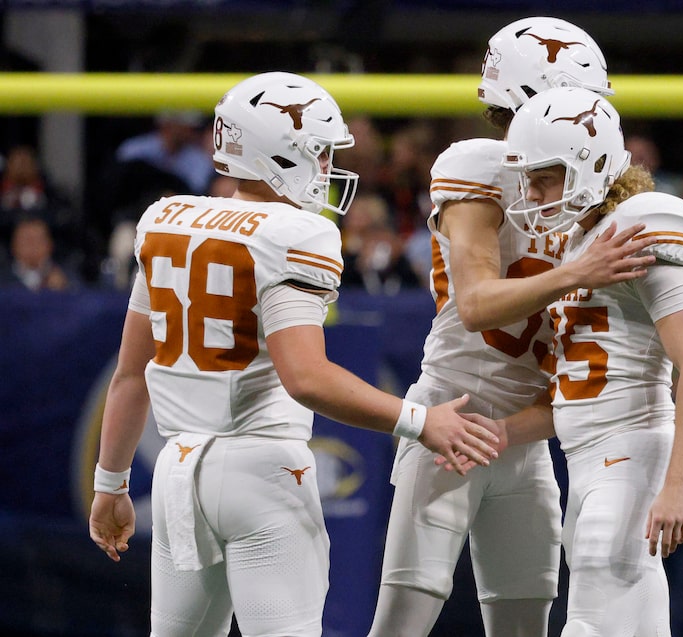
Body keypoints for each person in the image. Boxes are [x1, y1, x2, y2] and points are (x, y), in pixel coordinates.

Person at [87, 71, 502, 637]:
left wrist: (109, 485)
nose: (328, 168)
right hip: (263, 469)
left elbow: (130, 376)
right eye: (320, 152)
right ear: (277, 153)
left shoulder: (165, 220)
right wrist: (418, 421)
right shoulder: (295, 233)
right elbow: (306, 377)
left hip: (178, 473)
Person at [368, 18, 659, 637]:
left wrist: (509, 431)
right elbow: (476, 304)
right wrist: (579, 269)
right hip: (449, 414)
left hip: (523, 435)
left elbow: (587, 378)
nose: (589, 122)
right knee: (402, 621)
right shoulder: (478, 167)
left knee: (527, 623)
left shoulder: (601, 196)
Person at [459, 85, 683, 636]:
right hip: (587, 462)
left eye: (544, 178)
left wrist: (678, 485)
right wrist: (494, 431)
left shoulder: (645, 221)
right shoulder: (584, 246)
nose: (533, 193)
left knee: (592, 620)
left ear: (591, 163)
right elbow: (576, 393)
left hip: (631, 454)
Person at [0, 215, 78, 291]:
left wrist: (64, 288)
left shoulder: (68, 278)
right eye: (26, 240)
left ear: (50, 244)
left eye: (38, 239)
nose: (33, 245)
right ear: (13, 245)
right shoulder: (3, 280)